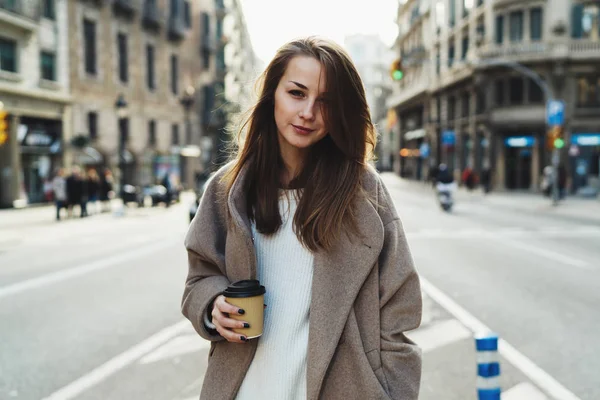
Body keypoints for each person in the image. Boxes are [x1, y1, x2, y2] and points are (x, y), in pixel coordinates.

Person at [181, 37, 422, 400]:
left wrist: (392, 391)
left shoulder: (363, 193)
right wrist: (214, 305)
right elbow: (199, 278)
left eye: (325, 102)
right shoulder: (228, 189)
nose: (308, 112)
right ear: (272, 95)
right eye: (297, 93)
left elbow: (398, 311)